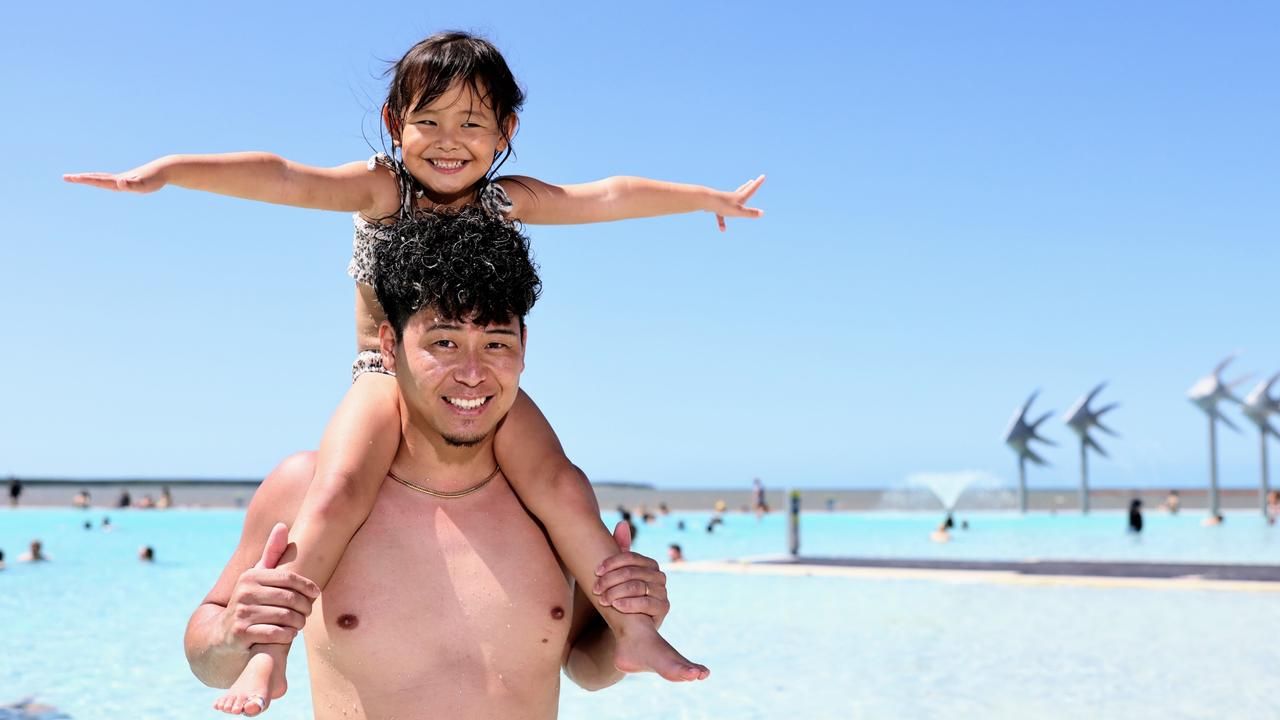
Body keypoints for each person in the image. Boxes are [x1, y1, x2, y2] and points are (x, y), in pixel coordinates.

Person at [70, 30, 749, 712]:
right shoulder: (380, 190)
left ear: (506, 130)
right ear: (395, 124)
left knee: (561, 481)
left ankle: (634, 628)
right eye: (428, 120)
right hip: (379, 375)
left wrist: (703, 198)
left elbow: (604, 196)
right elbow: (283, 174)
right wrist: (169, 171)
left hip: (475, 388)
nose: (449, 140)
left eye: (472, 123)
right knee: (333, 494)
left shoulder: (503, 202)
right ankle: (266, 655)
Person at [185, 209, 678, 717]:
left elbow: (583, 664)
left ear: (524, 347)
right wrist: (230, 632)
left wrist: (638, 619)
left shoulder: (549, 502)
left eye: (495, 344)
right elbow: (206, 659)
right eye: (443, 343)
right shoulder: (306, 487)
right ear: (390, 346)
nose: (471, 373)